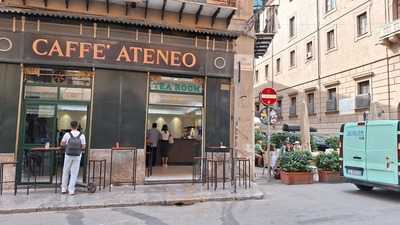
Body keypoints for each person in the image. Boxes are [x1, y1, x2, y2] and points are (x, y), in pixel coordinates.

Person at [60, 121, 86, 195]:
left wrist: (67, 146)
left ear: (71, 126)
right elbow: (84, 146)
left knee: (66, 171)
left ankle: (63, 189)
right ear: (77, 126)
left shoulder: (67, 134)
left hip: (68, 155)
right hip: (77, 156)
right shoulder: (82, 135)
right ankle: (71, 190)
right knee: (74, 173)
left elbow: (62, 144)